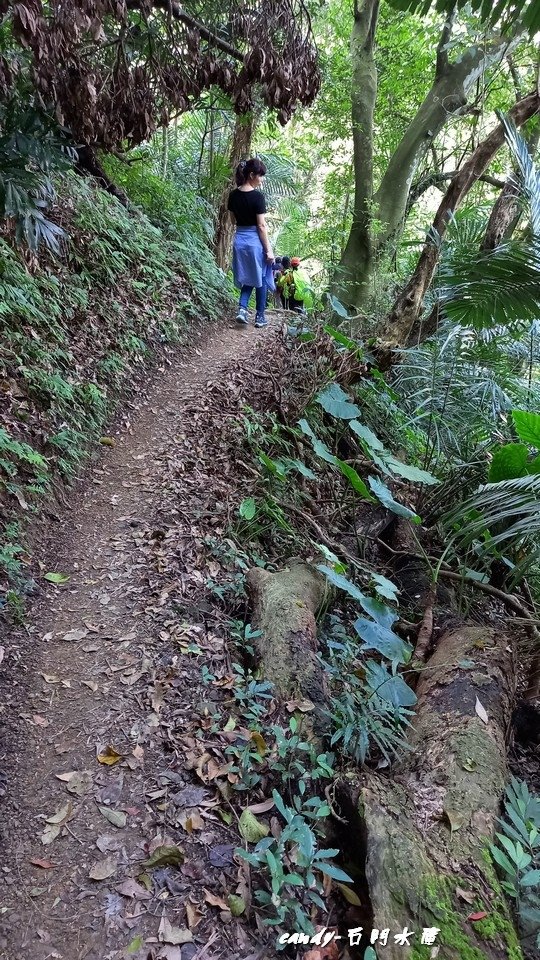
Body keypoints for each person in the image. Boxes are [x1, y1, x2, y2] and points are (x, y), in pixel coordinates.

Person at [227, 157, 275, 328]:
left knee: (248, 276)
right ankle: (260, 316)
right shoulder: (257, 197)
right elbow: (261, 226)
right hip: (255, 242)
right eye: (260, 176)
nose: (262, 180)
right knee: (260, 277)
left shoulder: (233, 195)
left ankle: (242, 309)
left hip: (239, 240)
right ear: (252, 175)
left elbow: (233, 222)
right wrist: (269, 250)